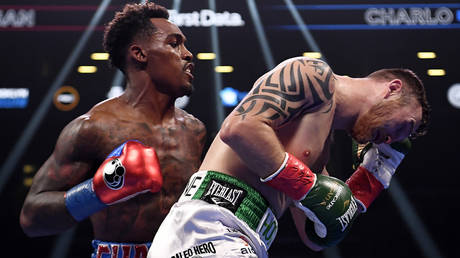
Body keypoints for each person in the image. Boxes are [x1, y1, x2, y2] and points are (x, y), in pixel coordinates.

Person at [148, 57, 430, 257]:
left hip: (242, 239)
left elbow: (317, 236)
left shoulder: (320, 153)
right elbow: (239, 128)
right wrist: (307, 186)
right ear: (393, 89)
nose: (392, 140)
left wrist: (373, 177)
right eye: (404, 126)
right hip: (208, 229)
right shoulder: (313, 75)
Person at [20, 2, 206, 257]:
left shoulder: (194, 130)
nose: (188, 54)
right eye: (174, 43)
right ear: (139, 54)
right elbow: (32, 218)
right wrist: (99, 191)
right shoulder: (94, 128)